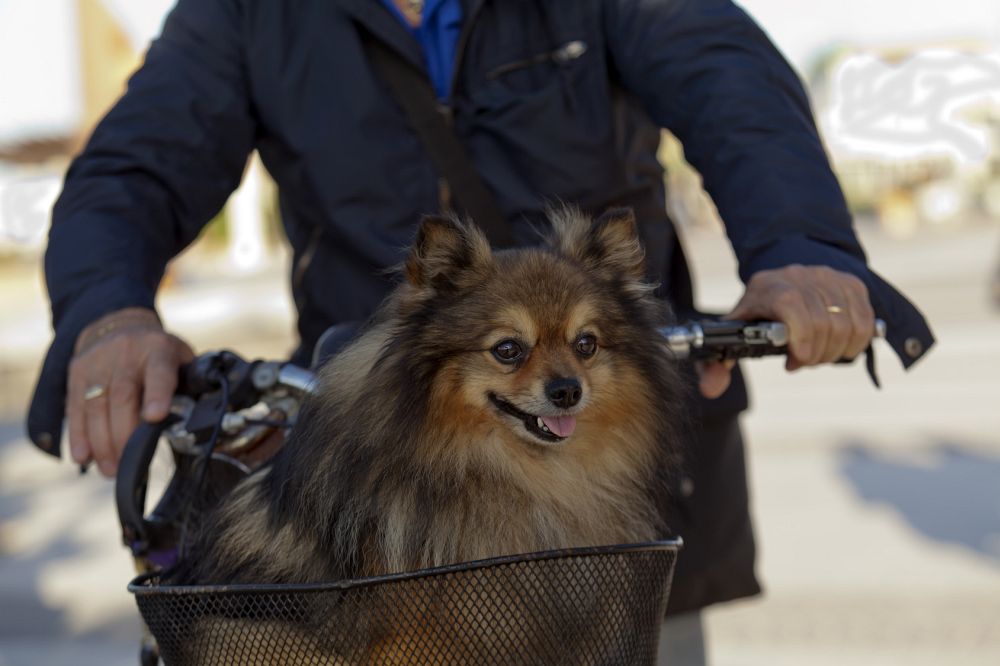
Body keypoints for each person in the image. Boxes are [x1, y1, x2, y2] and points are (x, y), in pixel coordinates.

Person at [28, 0, 934, 662]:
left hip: (618, 495)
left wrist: (801, 247)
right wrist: (110, 313)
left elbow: (729, 79)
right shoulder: (244, 13)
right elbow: (135, 166)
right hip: (375, 490)